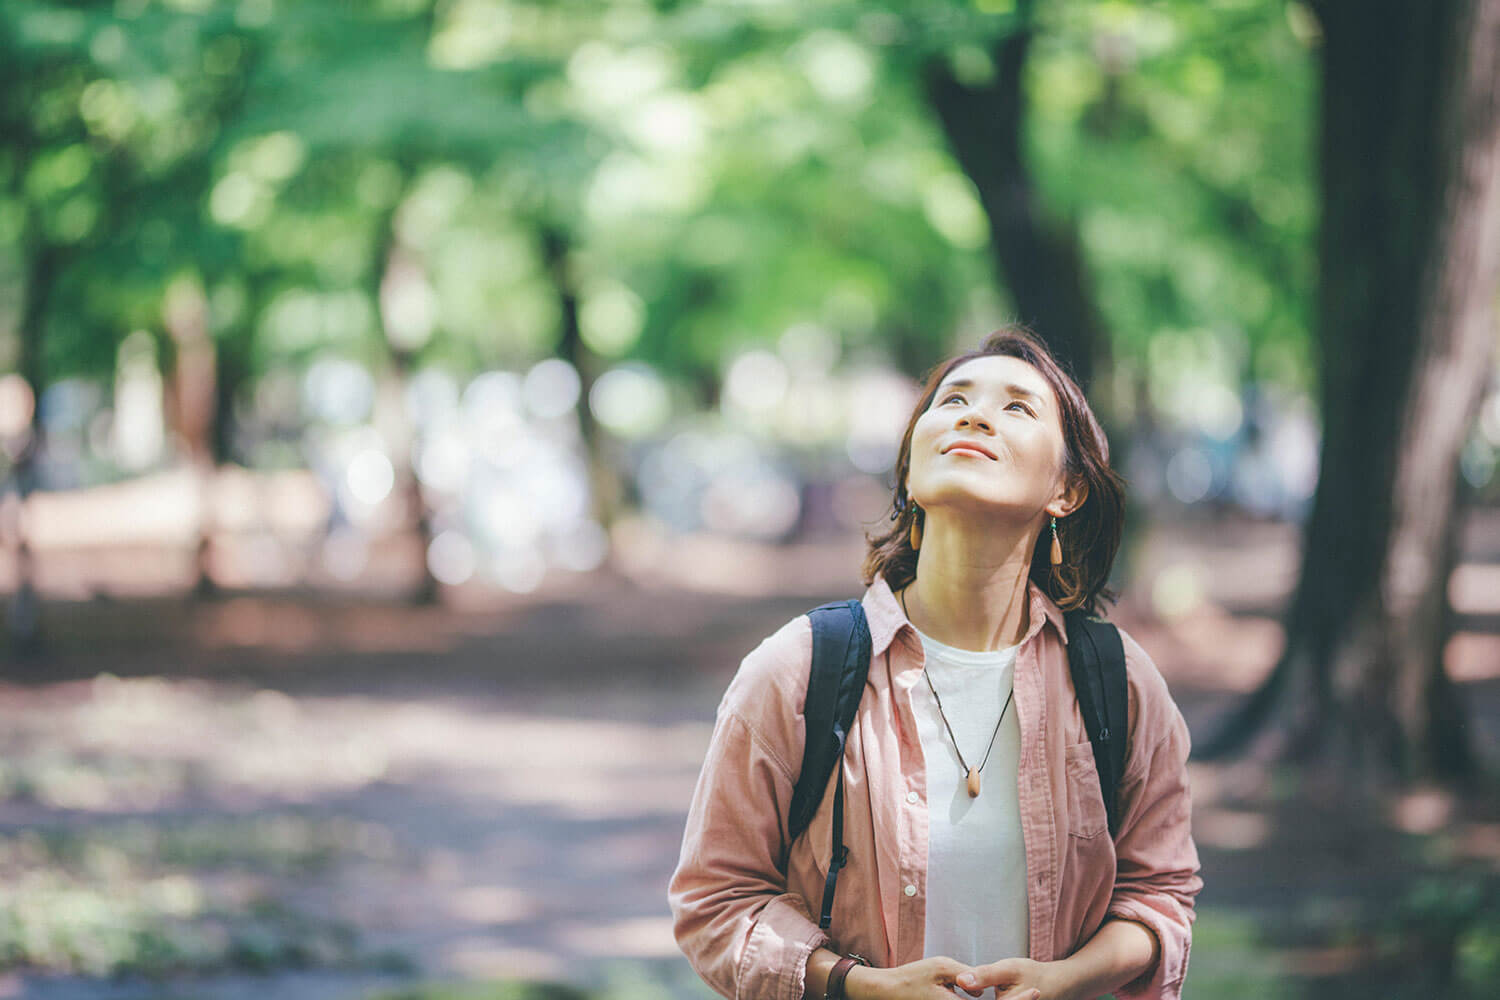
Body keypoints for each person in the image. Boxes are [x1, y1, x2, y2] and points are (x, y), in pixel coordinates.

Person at [669, 327, 1202, 1000]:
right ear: (911, 473)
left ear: (1065, 489)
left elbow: (1160, 895)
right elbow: (716, 902)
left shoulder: (1117, 684)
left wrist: (1065, 979)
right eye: (952, 400)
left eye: (1017, 407)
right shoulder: (799, 671)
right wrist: (861, 987)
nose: (974, 415)